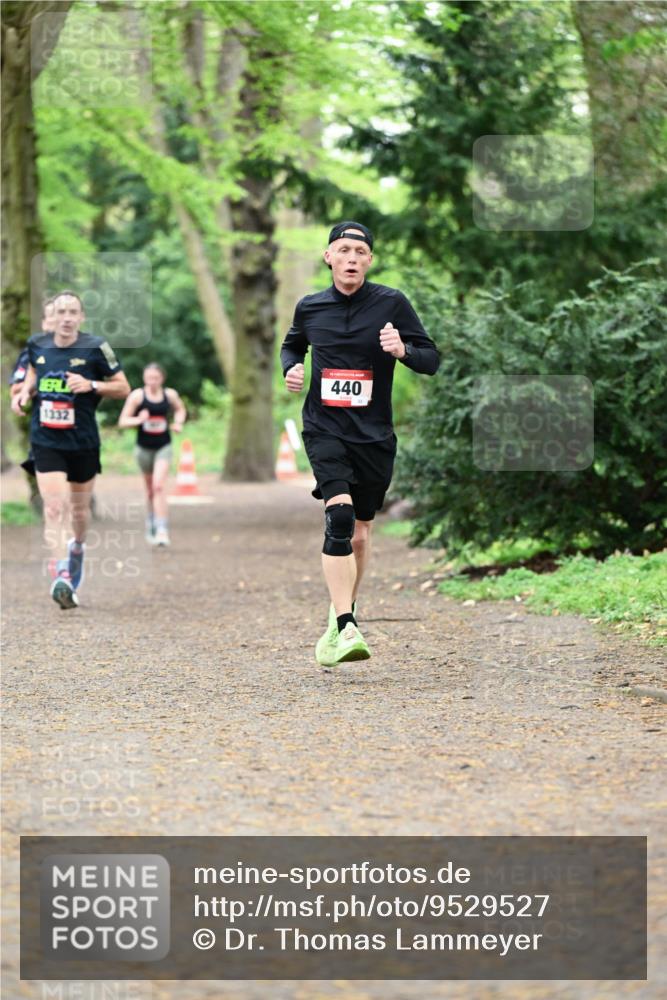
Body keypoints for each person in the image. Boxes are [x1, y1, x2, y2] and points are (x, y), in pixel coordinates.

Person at [281, 221, 440, 666]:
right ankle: (348, 623)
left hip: (374, 435)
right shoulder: (310, 307)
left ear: (369, 260)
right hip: (324, 428)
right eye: (343, 249)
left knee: (361, 534)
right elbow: (292, 346)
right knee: (340, 517)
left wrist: (403, 351)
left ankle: (339, 613)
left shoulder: (392, 303)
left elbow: (431, 360)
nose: (351, 258)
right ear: (328, 257)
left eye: (360, 252)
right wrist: (291, 368)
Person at [11, 290, 130, 608]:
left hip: (83, 441)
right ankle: (61, 573)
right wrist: (24, 392)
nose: (66, 318)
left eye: (72, 312)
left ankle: (76, 548)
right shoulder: (37, 344)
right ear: (53, 316)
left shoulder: (97, 347)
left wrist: (92, 385)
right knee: (54, 507)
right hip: (46, 439)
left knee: (79, 510)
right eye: (61, 311)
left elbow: (124, 387)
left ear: (81, 317)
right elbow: (31, 372)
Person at [117, 363, 186, 546]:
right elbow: (123, 421)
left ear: (162, 378)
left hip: (163, 446)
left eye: (155, 378)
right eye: (149, 378)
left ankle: (162, 529)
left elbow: (180, 409)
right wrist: (139, 420)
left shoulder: (170, 395)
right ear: (144, 378)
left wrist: (178, 423)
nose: (152, 381)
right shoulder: (137, 396)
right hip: (143, 448)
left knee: (158, 486)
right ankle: (151, 522)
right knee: (150, 490)